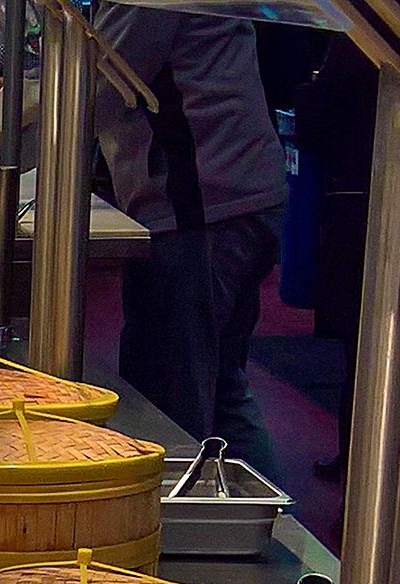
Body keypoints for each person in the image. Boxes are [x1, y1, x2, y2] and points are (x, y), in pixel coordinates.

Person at [95, 5, 288, 471]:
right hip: (236, 197)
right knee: (223, 396)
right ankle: (273, 515)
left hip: (201, 208)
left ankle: (175, 515)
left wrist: (3, 113)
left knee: (169, 415)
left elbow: (95, 81)